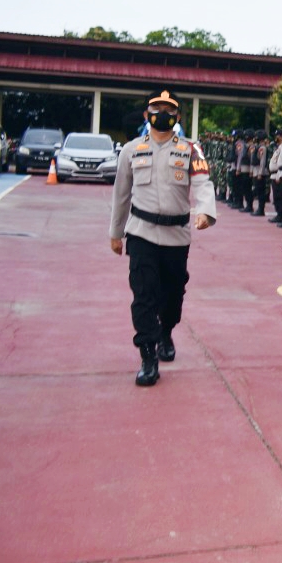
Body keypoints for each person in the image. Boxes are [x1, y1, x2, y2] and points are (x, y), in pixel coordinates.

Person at [108, 89, 216, 385]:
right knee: (144, 295)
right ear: (147, 114)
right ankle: (148, 355)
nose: (163, 114)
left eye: (169, 110)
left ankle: (166, 330)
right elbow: (121, 194)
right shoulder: (131, 150)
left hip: (176, 237)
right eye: (157, 108)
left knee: (172, 297)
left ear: (177, 116)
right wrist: (116, 233)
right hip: (141, 233)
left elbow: (204, 183)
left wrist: (205, 211)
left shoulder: (191, 149)